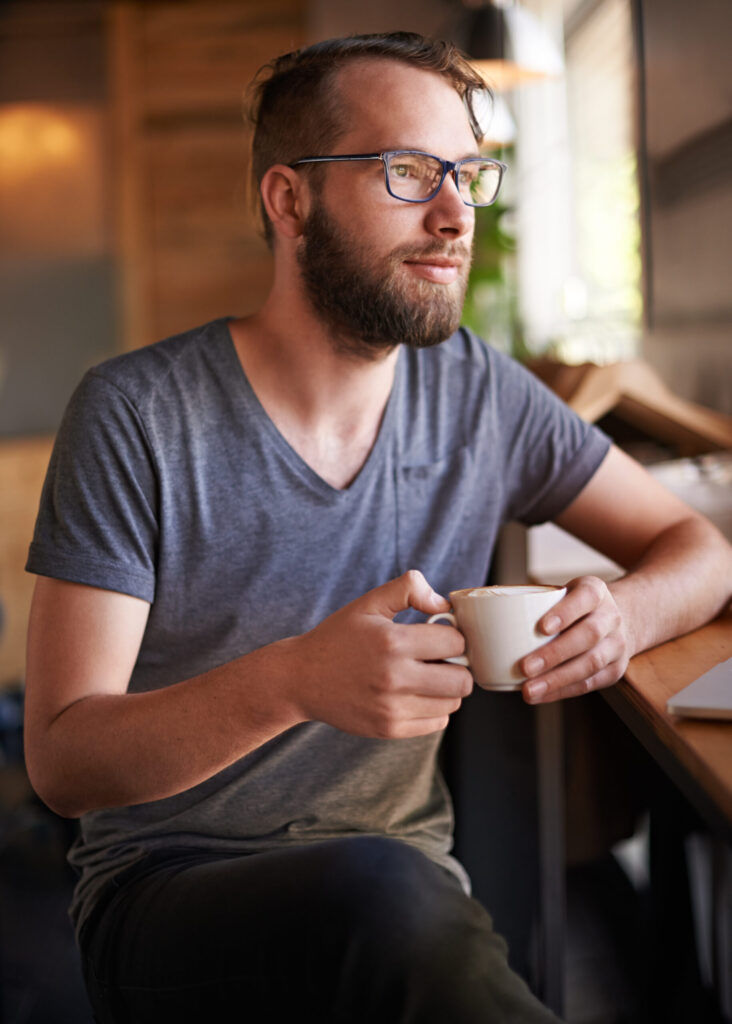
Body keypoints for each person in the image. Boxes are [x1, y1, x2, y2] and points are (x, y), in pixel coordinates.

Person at [23, 31, 731, 1024]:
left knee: (398, 898)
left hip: (404, 888)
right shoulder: (137, 413)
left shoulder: (479, 392)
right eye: (407, 172)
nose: (454, 214)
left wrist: (624, 617)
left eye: (469, 175)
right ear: (289, 199)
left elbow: (701, 551)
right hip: (170, 894)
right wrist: (294, 677)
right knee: (393, 903)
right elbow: (62, 759)